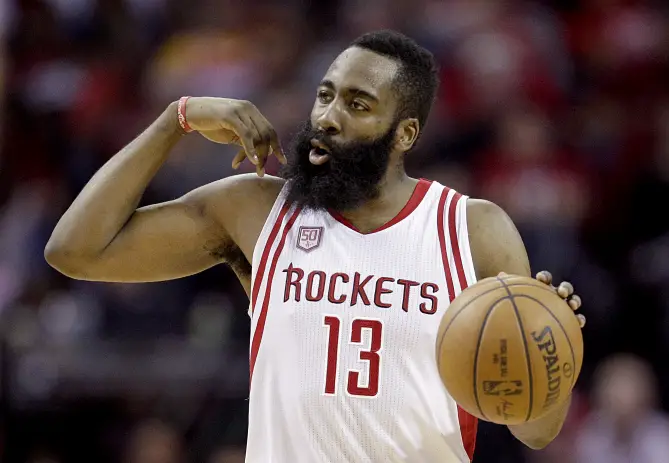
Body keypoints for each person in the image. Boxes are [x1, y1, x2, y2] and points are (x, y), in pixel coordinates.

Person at [45, 30, 585, 462]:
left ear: (405, 134)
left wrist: (548, 342)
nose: (328, 117)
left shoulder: (472, 229)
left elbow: (535, 430)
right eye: (325, 95)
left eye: (358, 104)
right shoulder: (257, 210)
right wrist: (175, 120)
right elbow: (75, 250)